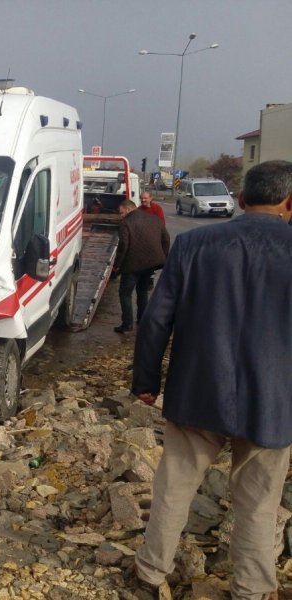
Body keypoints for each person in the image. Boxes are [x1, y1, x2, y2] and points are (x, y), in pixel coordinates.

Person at [131, 160, 292, 600]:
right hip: (273, 403)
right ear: (290, 202)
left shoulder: (194, 244)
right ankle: (252, 590)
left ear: (240, 200)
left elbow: (154, 320)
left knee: (174, 488)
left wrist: (145, 380)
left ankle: (148, 574)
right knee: (258, 503)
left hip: (197, 391)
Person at [112, 200, 169, 333]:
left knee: (125, 293)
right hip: (151, 263)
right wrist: (163, 256)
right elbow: (166, 239)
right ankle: (142, 320)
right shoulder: (154, 219)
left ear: (128, 209)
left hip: (133, 264)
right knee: (142, 291)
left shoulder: (125, 223)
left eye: (121, 212)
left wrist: (116, 266)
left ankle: (127, 324)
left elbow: (123, 246)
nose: (121, 216)